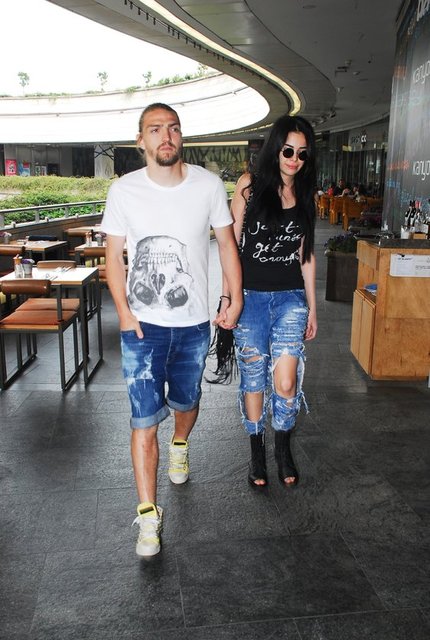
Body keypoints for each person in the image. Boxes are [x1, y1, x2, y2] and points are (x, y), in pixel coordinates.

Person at [101, 102, 242, 557]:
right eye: (155, 129)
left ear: (181, 136)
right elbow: (113, 256)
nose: (166, 136)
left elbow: (227, 244)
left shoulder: (207, 186)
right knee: (143, 421)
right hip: (142, 328)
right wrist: (124, 313)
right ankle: (148, 516)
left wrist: (233, 297)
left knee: (187, 401)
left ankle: (180, 442)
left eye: (173, 128)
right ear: (140, 140)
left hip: (193, 324)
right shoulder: (124, 190)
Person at [218, 114, 317, 488]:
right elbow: (230, 247)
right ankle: (257, 452)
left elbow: (306, 256)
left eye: (302, 153)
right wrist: (228, 298)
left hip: (291, 299)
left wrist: (312, 307)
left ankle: (283, 449)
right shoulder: (249, 186)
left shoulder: (305, 195)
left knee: (287, 382)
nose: (294, 159)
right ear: (276, 149)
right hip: (251, 299)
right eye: (288, 150)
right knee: (254, 379)